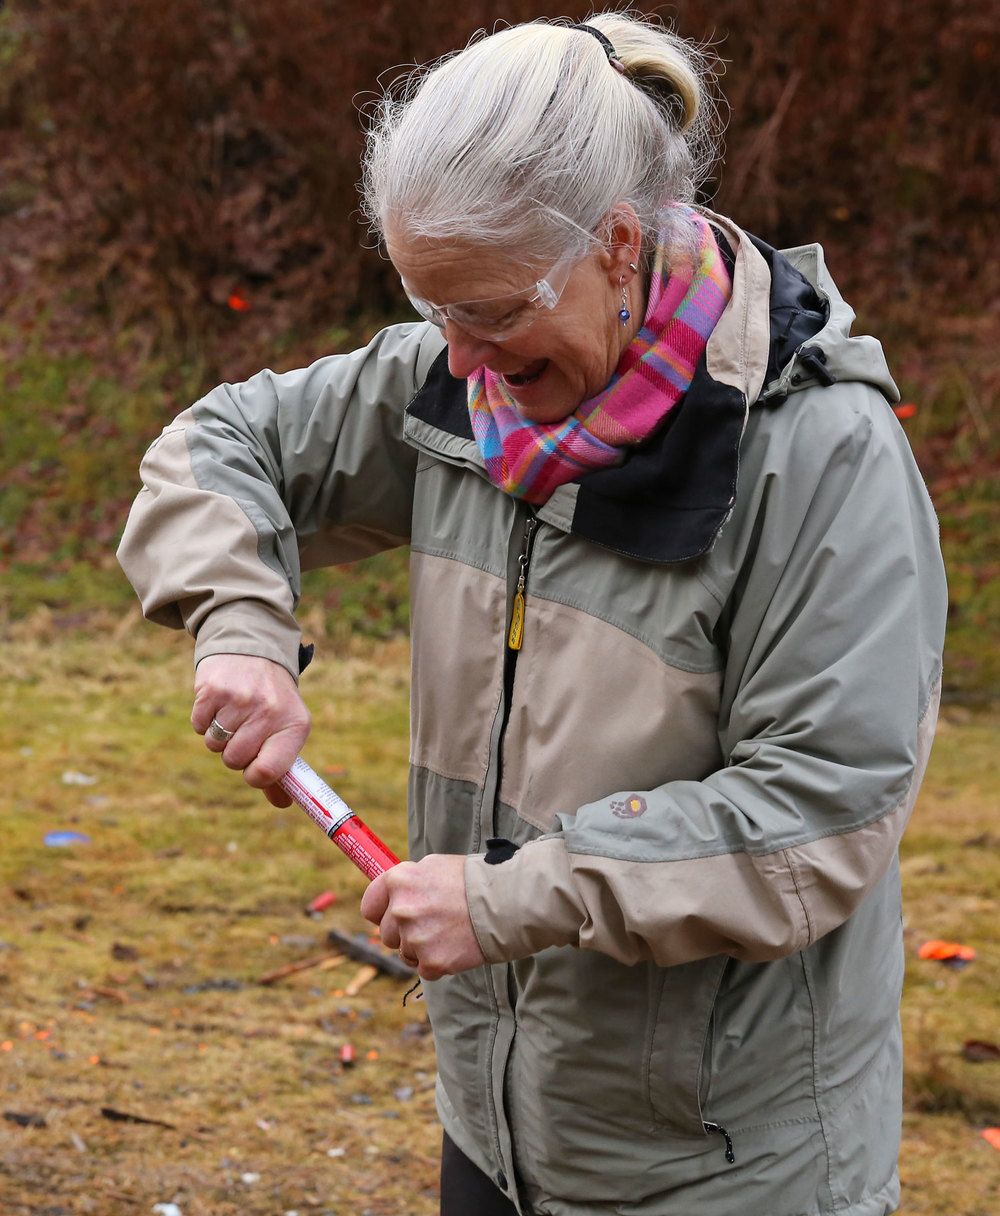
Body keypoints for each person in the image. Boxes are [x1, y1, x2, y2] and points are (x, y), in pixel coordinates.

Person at [118, 13, 948, 1216]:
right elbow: (216, 445)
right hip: (499, 1128)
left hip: (726, 1171)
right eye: (430, 304)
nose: (456, 358)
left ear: (617, 247)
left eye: (491, 309)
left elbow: (819, 814)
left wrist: (507, 897)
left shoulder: (815, 457)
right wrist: (241, 628)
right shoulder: (465, 384)